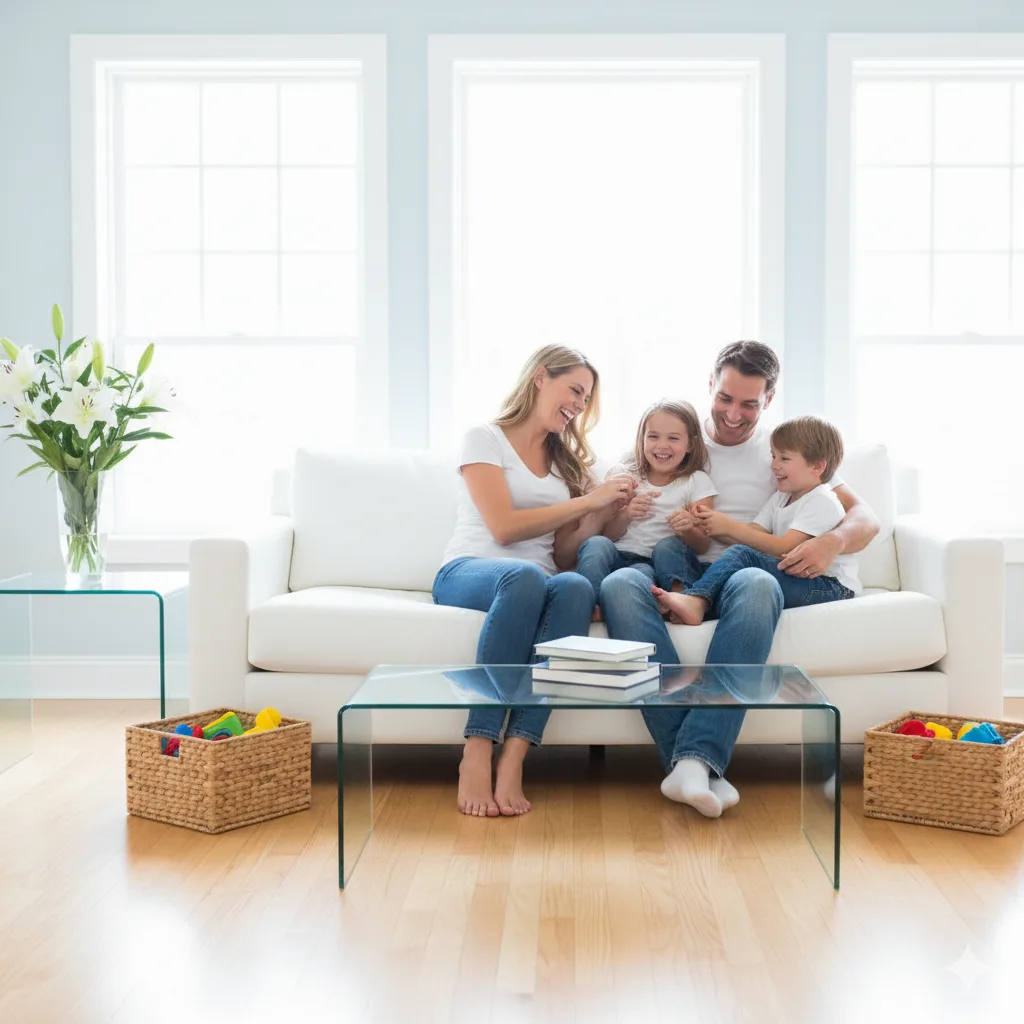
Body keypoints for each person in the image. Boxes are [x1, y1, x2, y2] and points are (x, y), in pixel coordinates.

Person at [598, 341, 879, 819]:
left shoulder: (782, 451)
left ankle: (690, 761)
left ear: (768, 399)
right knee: (620, 584)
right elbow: (613, 513)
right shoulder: (671, 438)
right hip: (686, 570)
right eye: (725, 398)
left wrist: (832, 542)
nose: (733, 413)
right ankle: (697, 766)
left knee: (754, 580)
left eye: (749, 403)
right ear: (710, 385)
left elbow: (864, 515)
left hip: (756, 574)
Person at [433, 345, 635, 819]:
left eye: (586, 401)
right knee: (525, 577)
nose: (579, 406)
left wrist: (607, 512)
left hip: (536, 579)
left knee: (575, 587)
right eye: (575, 391)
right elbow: (503, 528)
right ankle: (478, 749)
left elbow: (562, 554)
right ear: (541, 377)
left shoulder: (567, 462)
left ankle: (516, 756)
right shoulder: (484, 439)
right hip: (469, 571)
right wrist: (587, 503)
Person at [651, 415, 860, 626]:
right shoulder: (781, 496)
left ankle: (696, 601)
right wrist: (710, 522)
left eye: (784, 459)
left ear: (817, 467)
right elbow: (752, 532)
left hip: (830, 587)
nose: (774, 465)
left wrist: (729, 526)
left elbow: (785, 549)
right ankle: (690, 602)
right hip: (799, 580)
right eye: (773, 456)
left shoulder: (821, 500)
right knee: (673, 548)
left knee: (743, 556)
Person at [576, 400, 717, 608]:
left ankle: (676, 600)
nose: (661, 445)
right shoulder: (623, 475)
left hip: (652, 564)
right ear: (641, 439)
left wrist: (687, 528)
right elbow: (605, 536)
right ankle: (592, 606)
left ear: (690, 445)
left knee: (656, 556)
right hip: (616, 554)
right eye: (653, 436)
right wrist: (626, 515)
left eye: (673, 438)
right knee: (596, 544)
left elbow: (703, 545)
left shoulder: (696, 480)